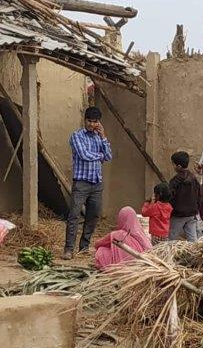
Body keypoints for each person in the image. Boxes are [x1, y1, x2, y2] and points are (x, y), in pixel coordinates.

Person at [65, 106, 112, 260]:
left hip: (96, 183)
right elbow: (84, 155)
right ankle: (68, 249)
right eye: (90, 121)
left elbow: (109, 156)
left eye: (95, 122)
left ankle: (84, 247)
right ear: (84, 120)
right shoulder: (77, 136)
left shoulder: (99, 137)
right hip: (81, 183)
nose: (92, 124)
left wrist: (104, 136)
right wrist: (100, 155)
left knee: (93, 216)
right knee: (74, 215)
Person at [94, 206, 152, 270]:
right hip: (141, 266)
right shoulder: (142, 235)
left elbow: (97, 244)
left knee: (101, 250)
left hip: (124, 268)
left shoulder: (117, 234)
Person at [168, 151, 201, 242]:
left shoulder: (175, 181)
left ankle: (170, 255)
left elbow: (169, 196)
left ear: (178, 166)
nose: (173, 166)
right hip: (192, 214)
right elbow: (199, 195)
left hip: (178, 214)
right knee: (192, 239)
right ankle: (195, 255)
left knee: (171, 238)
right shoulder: (194, 178)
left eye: (173, 164)